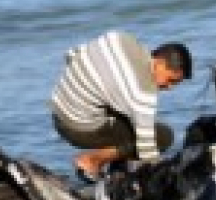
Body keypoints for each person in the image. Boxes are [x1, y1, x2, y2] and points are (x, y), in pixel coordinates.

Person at [50, 31, 192, 181]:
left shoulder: (120, 39)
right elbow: (148, 151)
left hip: (59, 106)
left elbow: (72, 54)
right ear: (159, 63)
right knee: (163, 136)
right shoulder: (143, 92)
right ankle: (92, 161)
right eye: (171, 80)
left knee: (129, 115)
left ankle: (117, 168)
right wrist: (163, 173)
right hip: (74, 127)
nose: (169, 88)